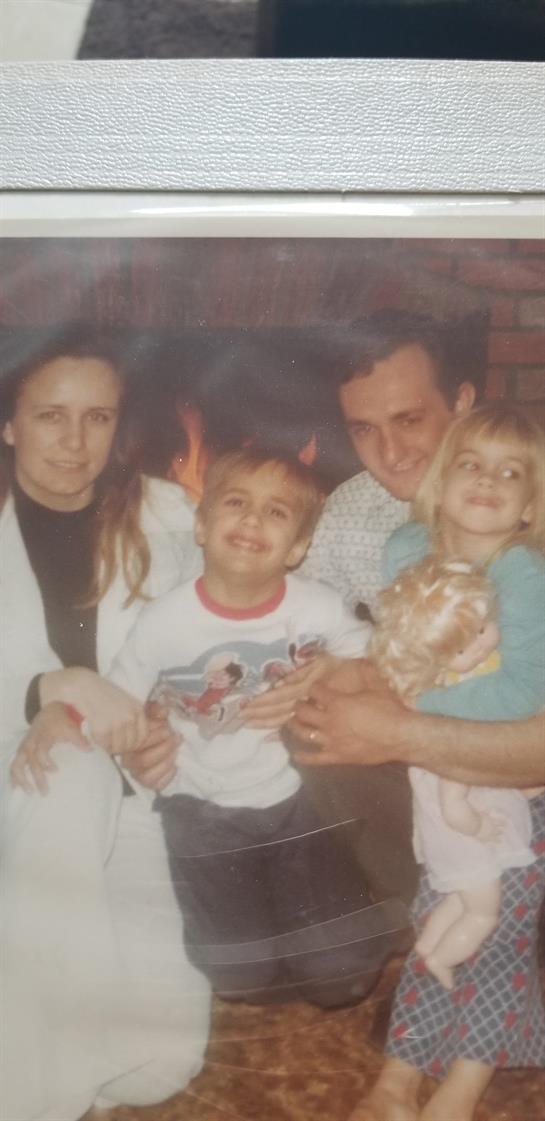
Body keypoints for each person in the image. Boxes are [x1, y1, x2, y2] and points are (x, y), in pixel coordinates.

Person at [21, 450, 409, 1008]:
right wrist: (59, 708)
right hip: (201, 813)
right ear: (201, 526)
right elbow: (119, 699)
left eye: (276, 513)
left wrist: (334, 673)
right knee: (237, 978)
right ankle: (263, 925)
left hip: (295, 805)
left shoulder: (318, 608)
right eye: (236, 504)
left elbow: (377, 663)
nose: (252, 520)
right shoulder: (163, 622)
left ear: (299, 548)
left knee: (344, 976)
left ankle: (347, 916)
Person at [0, 329, 210, 1121]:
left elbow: (214, 655)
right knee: (68, 766)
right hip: (22, 790)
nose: (75, 441)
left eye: (98, 417)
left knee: (152, 1068)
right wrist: (47, 690)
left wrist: (171, 727)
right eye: (50, 415)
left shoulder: (165, 513)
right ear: (9, 422)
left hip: (137, 800)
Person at [322, 403, 545, 1121]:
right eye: (471, 464)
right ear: (441, 479)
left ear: (530, 504)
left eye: (511, 472)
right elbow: (395, 657)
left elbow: (523, 691)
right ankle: (397, 1078)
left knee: (501, 924)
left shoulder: (522, 572)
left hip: (514, 783)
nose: (487, 480)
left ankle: (464, 1083)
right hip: (433, 777)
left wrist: (410, 718)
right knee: (438, 913)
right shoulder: (405, 548)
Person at [371, 554, 539, 993]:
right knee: (483, 911)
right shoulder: (457, 714)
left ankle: (427, 946)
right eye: (464, 648)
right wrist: (482, 826)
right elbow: (453, 802)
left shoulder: (461, 682)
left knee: (460, 897)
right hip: (460, 827)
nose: (482, 646)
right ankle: (443, 959)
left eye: (482, 630)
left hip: (463, 815)